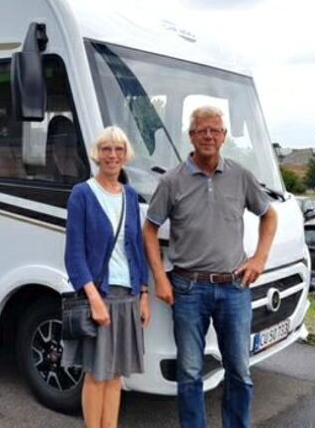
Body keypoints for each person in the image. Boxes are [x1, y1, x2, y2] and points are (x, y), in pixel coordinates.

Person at [143, 106, 277, 428]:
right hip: (188, 288)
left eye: (215, 130)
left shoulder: (240, 176)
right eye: (202, 130)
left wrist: (259, 259)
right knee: (190, 371)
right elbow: (149, 229)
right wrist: (160, 278)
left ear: (224, 136)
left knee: (239, 371)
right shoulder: (172, 181)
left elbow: (269, 215)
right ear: (191, 136)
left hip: (234, 288)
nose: (208, 136)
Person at [63, 126, 151, 428]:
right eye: (106, 149)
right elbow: (74, 254)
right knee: (96, 375)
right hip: (100, 295)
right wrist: (94, 299)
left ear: (126, 155)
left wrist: (143, 294)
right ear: (97, 154)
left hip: (128, 297)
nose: (112, 155)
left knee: (115, 377)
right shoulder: (82, 194)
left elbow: (137, 248)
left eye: (118, 149)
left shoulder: (130, 195)